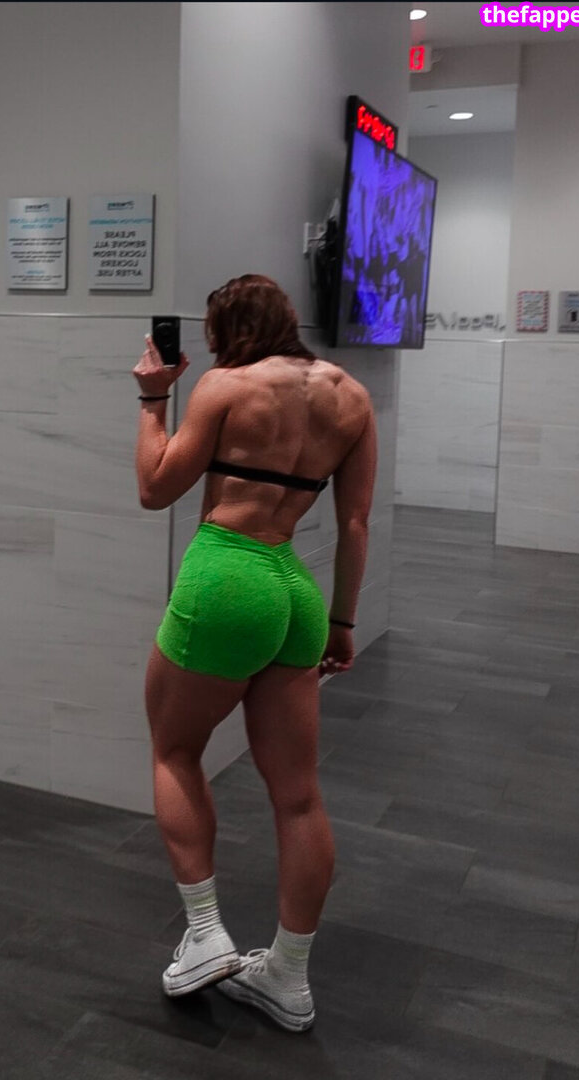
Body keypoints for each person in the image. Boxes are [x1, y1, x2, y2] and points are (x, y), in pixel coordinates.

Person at [133, 274, 376, 1032]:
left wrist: (152, 399)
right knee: (297, 795)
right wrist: (342, 621)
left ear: (224, 330)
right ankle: (287, 978)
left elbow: (155, 487)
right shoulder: (352, 397)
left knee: (175, 751)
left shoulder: (226, 385)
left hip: (227, 576)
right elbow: (356, 522)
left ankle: (206, 933)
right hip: (294, 589)